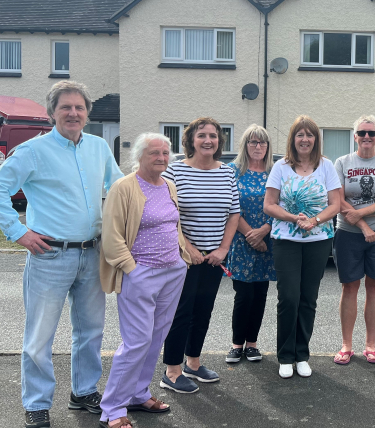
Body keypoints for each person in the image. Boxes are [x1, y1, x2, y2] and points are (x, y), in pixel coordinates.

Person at [0, 81, 123, 428]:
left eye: (79, 107)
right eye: (65, 107)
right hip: (49, 256)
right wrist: (18, 232)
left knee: (91, 331)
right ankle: (37, 404)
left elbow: (118, 187)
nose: (73, 113)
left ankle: (84, 392)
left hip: (92, 254)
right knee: (39, 337)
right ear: (52, 113)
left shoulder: (98, 147)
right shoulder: (32, 151)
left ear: (87, 113)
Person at [98, 133, 192, 428]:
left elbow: (174, 224)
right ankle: (113, 408)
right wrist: (132, 269)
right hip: (140, 273)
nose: (162, 158)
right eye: (154, 153)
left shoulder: (168, 185)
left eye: (165, 153)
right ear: (140, 156)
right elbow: (111, 235)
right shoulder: (124, 187)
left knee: (155, 338)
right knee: (137, 341)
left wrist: (182, 258)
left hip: (172, 272)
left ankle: (138, 394)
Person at [160, 118, 240, 394]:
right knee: (180, 312)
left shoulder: (227, 173)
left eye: (213, 136)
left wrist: (223, 249)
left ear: (220, 141)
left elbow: (234, 214)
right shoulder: (174, 171)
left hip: (214, 258)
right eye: (202, 135)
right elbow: (167, 214)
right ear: (191, 140)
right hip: (182, 257)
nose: (208, 140)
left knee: (203, 310)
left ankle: (193, 363)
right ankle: (172, 371)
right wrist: (188, 247)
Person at [264, 115, 342, 379]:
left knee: (308, 298)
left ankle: (302, 355)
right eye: (300, 135)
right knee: (289, 297)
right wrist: (293, 218)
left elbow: (335, 204)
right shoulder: (281, 167)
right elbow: (269, 205)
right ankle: (285, 356)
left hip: (318, 241)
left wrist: (315, 220)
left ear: (316, 140)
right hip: (286, 240)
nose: (305, 139)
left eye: (310, 135)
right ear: (293, 139)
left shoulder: (326, 166)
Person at [332, 115, 375, 365]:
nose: (366, 137)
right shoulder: (342, 162)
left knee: (374, 286)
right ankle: (346, 345)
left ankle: (371, 345)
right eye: (362, 133)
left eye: (371, 133)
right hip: (348, 233)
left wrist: (361, 214)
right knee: (349, 287)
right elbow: (338, 201)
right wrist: (362, 225)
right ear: (355, 136)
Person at [225, 125, 275, 364]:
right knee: (243, 295)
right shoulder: (232, 171)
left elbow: (282, 204)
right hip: (240, 240)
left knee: (260, 294)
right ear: (245, 145)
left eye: (262, 142)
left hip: (268, 240)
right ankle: (237, 344)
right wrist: (251, 236)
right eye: (253, 142)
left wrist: (264, 231)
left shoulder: (275, 171)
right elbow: (229, 206)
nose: (258, 146)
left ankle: (252, 344)